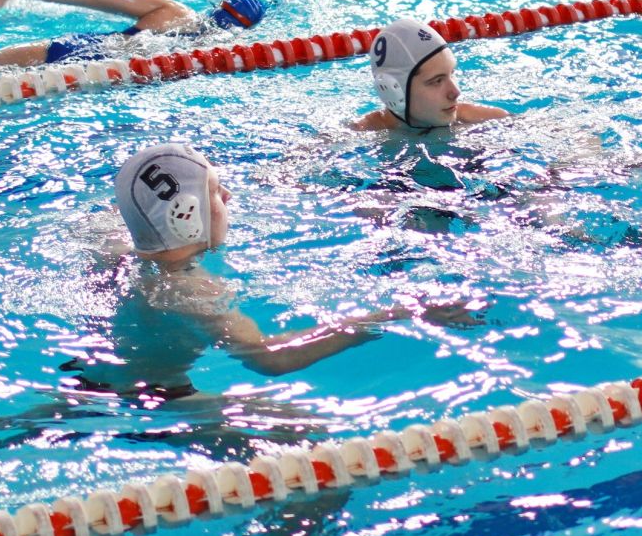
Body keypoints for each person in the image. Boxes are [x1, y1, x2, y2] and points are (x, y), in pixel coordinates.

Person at [67, 142, 478, 390]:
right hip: (151, 396)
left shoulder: (117, 250)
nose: (227, 196)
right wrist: (396, 313)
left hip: (89, 373)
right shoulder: (190, 289)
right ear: (184, 216)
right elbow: (271, 358)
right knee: (307, 441)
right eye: (213, 191)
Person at [0, 0, 267, 66]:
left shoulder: (175, 13)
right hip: (101, 81)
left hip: (74, 51)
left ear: (217, 7)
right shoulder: (228, 55)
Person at [350, 18, 511, 132]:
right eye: (437, 81)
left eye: (452, 74)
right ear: (394, 90)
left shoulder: (489, 121)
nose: (455, 92)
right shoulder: (360, 136)